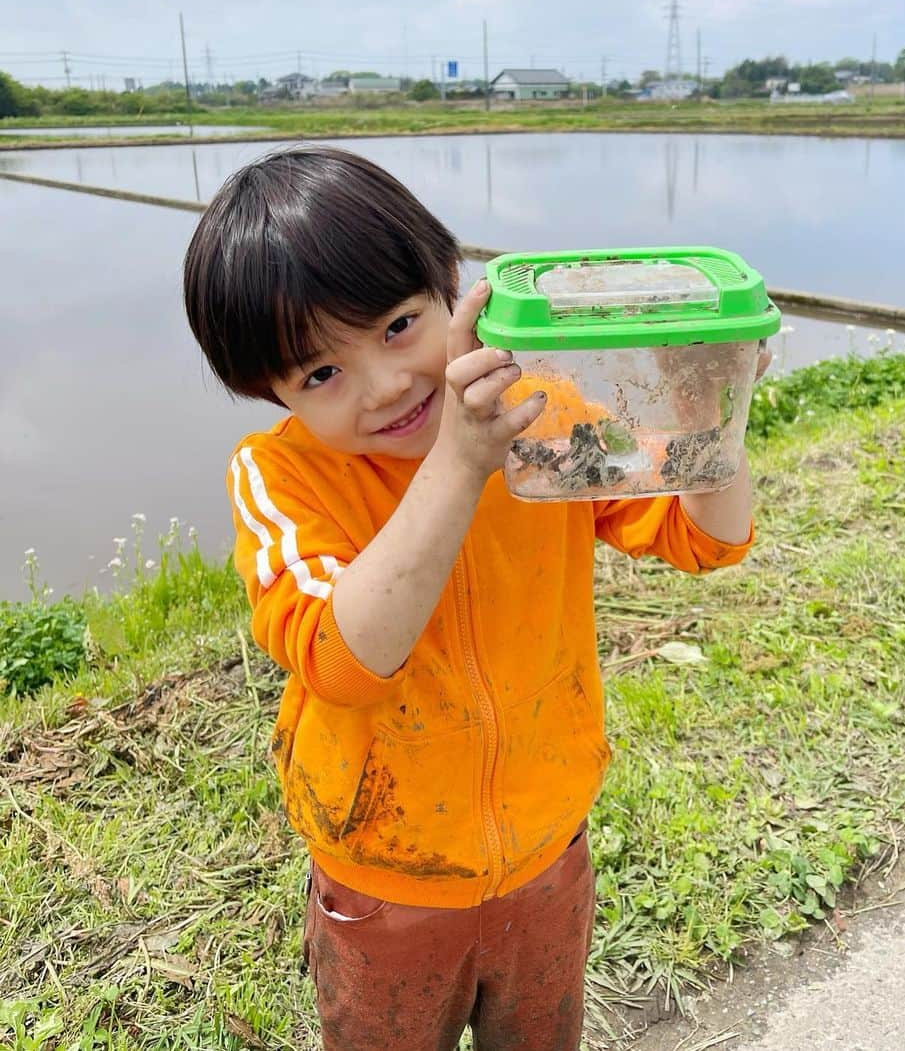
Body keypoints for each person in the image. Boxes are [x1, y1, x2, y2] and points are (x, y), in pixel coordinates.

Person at [183, 146, 766, 1051]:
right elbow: (343, 658)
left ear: (452, 289)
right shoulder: (281, 477)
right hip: (384, 878)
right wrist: (459, 460)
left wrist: (712, 413)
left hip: (546, 848)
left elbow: (706, 537)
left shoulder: (543, 415)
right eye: (320, 375)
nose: (386, 385)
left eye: (398, 325)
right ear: (270, 392)